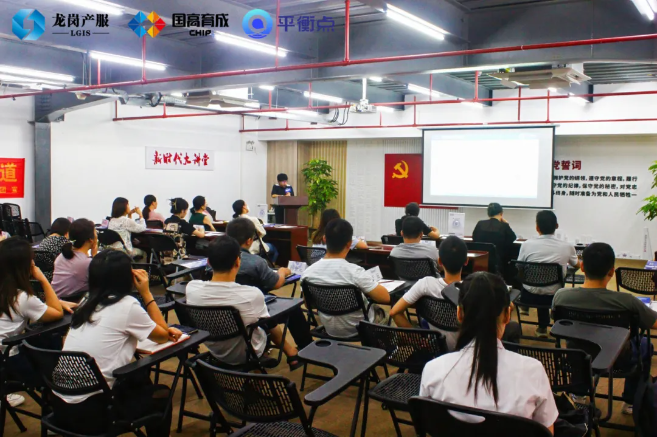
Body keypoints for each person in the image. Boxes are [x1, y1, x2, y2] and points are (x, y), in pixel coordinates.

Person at [55, 250, 181, 436]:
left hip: (60, 406)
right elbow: (162, 336)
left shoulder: (86, 301)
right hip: (94, 413)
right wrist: (146, 293)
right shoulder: (127, 305)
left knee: (139, 377)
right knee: (161, 395)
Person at [420, 272, 558, 434]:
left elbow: (429, 423)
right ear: (507, 315)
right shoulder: (533, 372)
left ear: (459, 314)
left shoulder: (433, 370)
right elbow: (547, 432)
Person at [553, 242, 657, 415]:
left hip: (576, 356)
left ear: (582, 267)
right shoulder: (627, 301)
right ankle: (631, 401)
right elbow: (654, 323)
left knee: (580, 345)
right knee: (645, 345)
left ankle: (578, 394)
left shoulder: (561, 296)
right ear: (611, 271)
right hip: (618, 359)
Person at [186, 236, 303, 370]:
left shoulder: (191, 288)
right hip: (249, 352)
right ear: (238, 261)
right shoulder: (251, 294)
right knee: (267, 317)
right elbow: (267, 321)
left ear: (209, 263)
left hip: (216, 352)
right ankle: (290, 352)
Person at [0, 237, 70, 407]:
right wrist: (43, 279)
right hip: (8, 362)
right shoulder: (21, 297)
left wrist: (54, 303)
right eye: (31, 260)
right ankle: (55, 395)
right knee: (50, 338)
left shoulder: (9, 293)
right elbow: (57, 314)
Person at [226, 218, 312, 351]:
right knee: (293, 308)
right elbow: (275, 283)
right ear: (249, 241)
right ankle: (306, 347)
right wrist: (282, 272)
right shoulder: (255, 261)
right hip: (256, 308)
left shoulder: (216, 261)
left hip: (227, 310)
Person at [301, 219, 391, 338]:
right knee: (385, 315)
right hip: (360, 328)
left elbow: (308, 305)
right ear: (349, 244)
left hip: (329, 328)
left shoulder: (307, 274)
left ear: (324, 239)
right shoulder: (355, 272)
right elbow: (385, 298)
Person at [517, 210, 579, 337]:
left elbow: (519, 266)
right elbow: (577, 265)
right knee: (550, 284)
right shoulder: (567, 246)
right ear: (557, 226)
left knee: (539, 282)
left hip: (528, 295)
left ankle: (539, 324)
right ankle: (549, 324)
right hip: (554, 297)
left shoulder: (526, 245)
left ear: (537, 227)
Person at [51, 219, 97, 299]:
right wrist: (95, 256)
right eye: (96, 234)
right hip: (74, 303)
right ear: (91, 240)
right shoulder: (87, 263)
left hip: (55, 300)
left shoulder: (62, 256)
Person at [472, 203, 517, 281]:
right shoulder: (504, 226)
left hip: (479, 264)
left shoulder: (480, 224)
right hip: (498, 266)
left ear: (488, 214)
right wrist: (507, 224)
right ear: (501, 213)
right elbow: (513, 238)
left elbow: (474, 239)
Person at [232, 199, 279, 264]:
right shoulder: (253, 219)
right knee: (274, 250)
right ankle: (270, 267)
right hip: (254, 246)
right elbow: (263, 233)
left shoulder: (234, 221)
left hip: (240, 247)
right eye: (246, 204)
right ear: (244, 207)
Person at [35, 217, 71, 281]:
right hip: (55, 276)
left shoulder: (45, 240)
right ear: (67, 231)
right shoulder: (62, 240)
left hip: (40, 276)